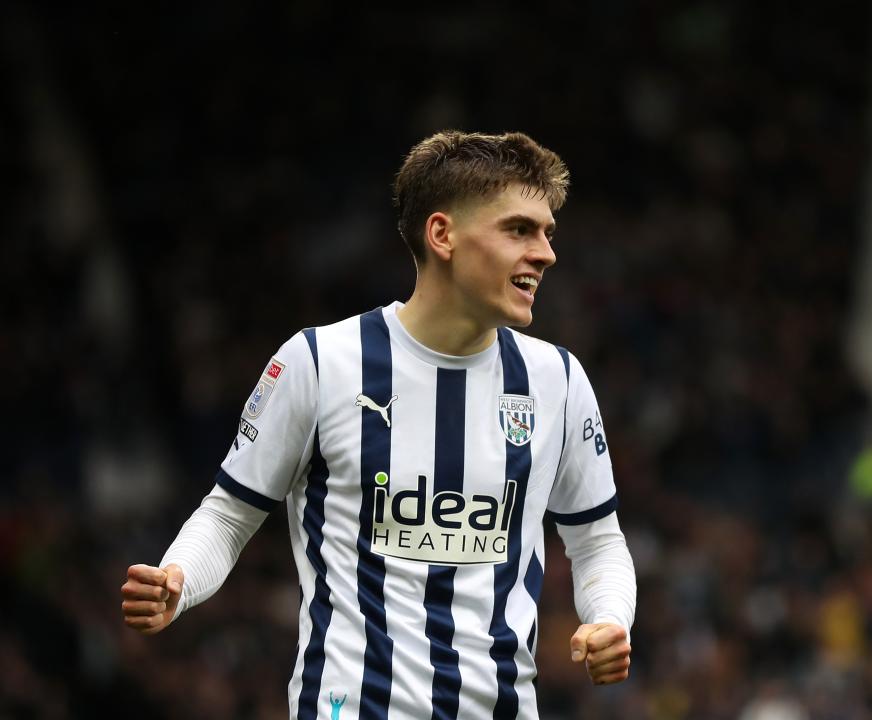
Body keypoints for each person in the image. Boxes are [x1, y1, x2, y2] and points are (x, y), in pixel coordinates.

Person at [121, 130, 637, 719]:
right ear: (442, 234)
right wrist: (177, 581)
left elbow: (597, 541)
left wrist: (609, 619)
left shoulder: (558, 381)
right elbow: (229, 515)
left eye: (547, 232)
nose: (545, 253)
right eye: (519, 229)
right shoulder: (320, 363)